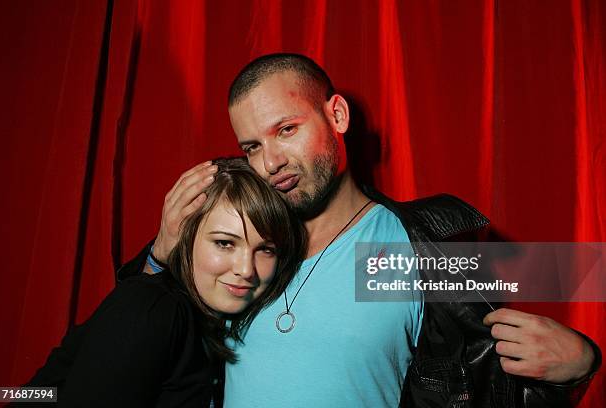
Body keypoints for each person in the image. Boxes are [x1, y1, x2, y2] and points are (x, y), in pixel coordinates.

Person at [119, 54, 601, 407]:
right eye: (251, 146)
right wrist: (161, 253)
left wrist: (579, 365)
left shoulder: (415, 249)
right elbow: (138, 346)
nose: (270, 163)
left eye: (286, 129)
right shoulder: (239, 246)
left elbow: (491, 386)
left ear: (337, 116)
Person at [24, 157, 306, 407]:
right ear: (187, 237)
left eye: (266, 249)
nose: (246, 270)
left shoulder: (211, 318)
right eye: (224, 243)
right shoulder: (155, 309)